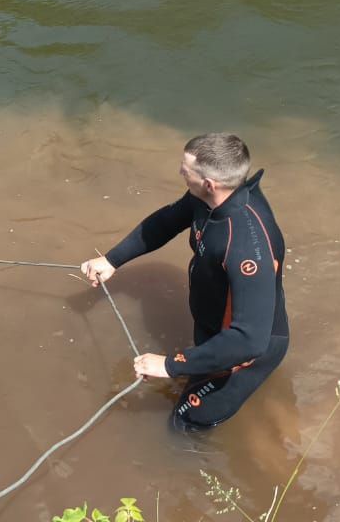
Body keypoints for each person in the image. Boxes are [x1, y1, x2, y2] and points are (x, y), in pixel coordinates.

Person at [80, 133, 289, 431]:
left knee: (183, 423)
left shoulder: (245, 248)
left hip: (245, 352)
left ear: (209, 184)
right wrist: (112, 260)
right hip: (213, 322)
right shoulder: (207, 200)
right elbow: (166, 222)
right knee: (192, 372)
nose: (179, 172)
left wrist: (170, 366)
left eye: (185, 169)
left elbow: (249, 340)